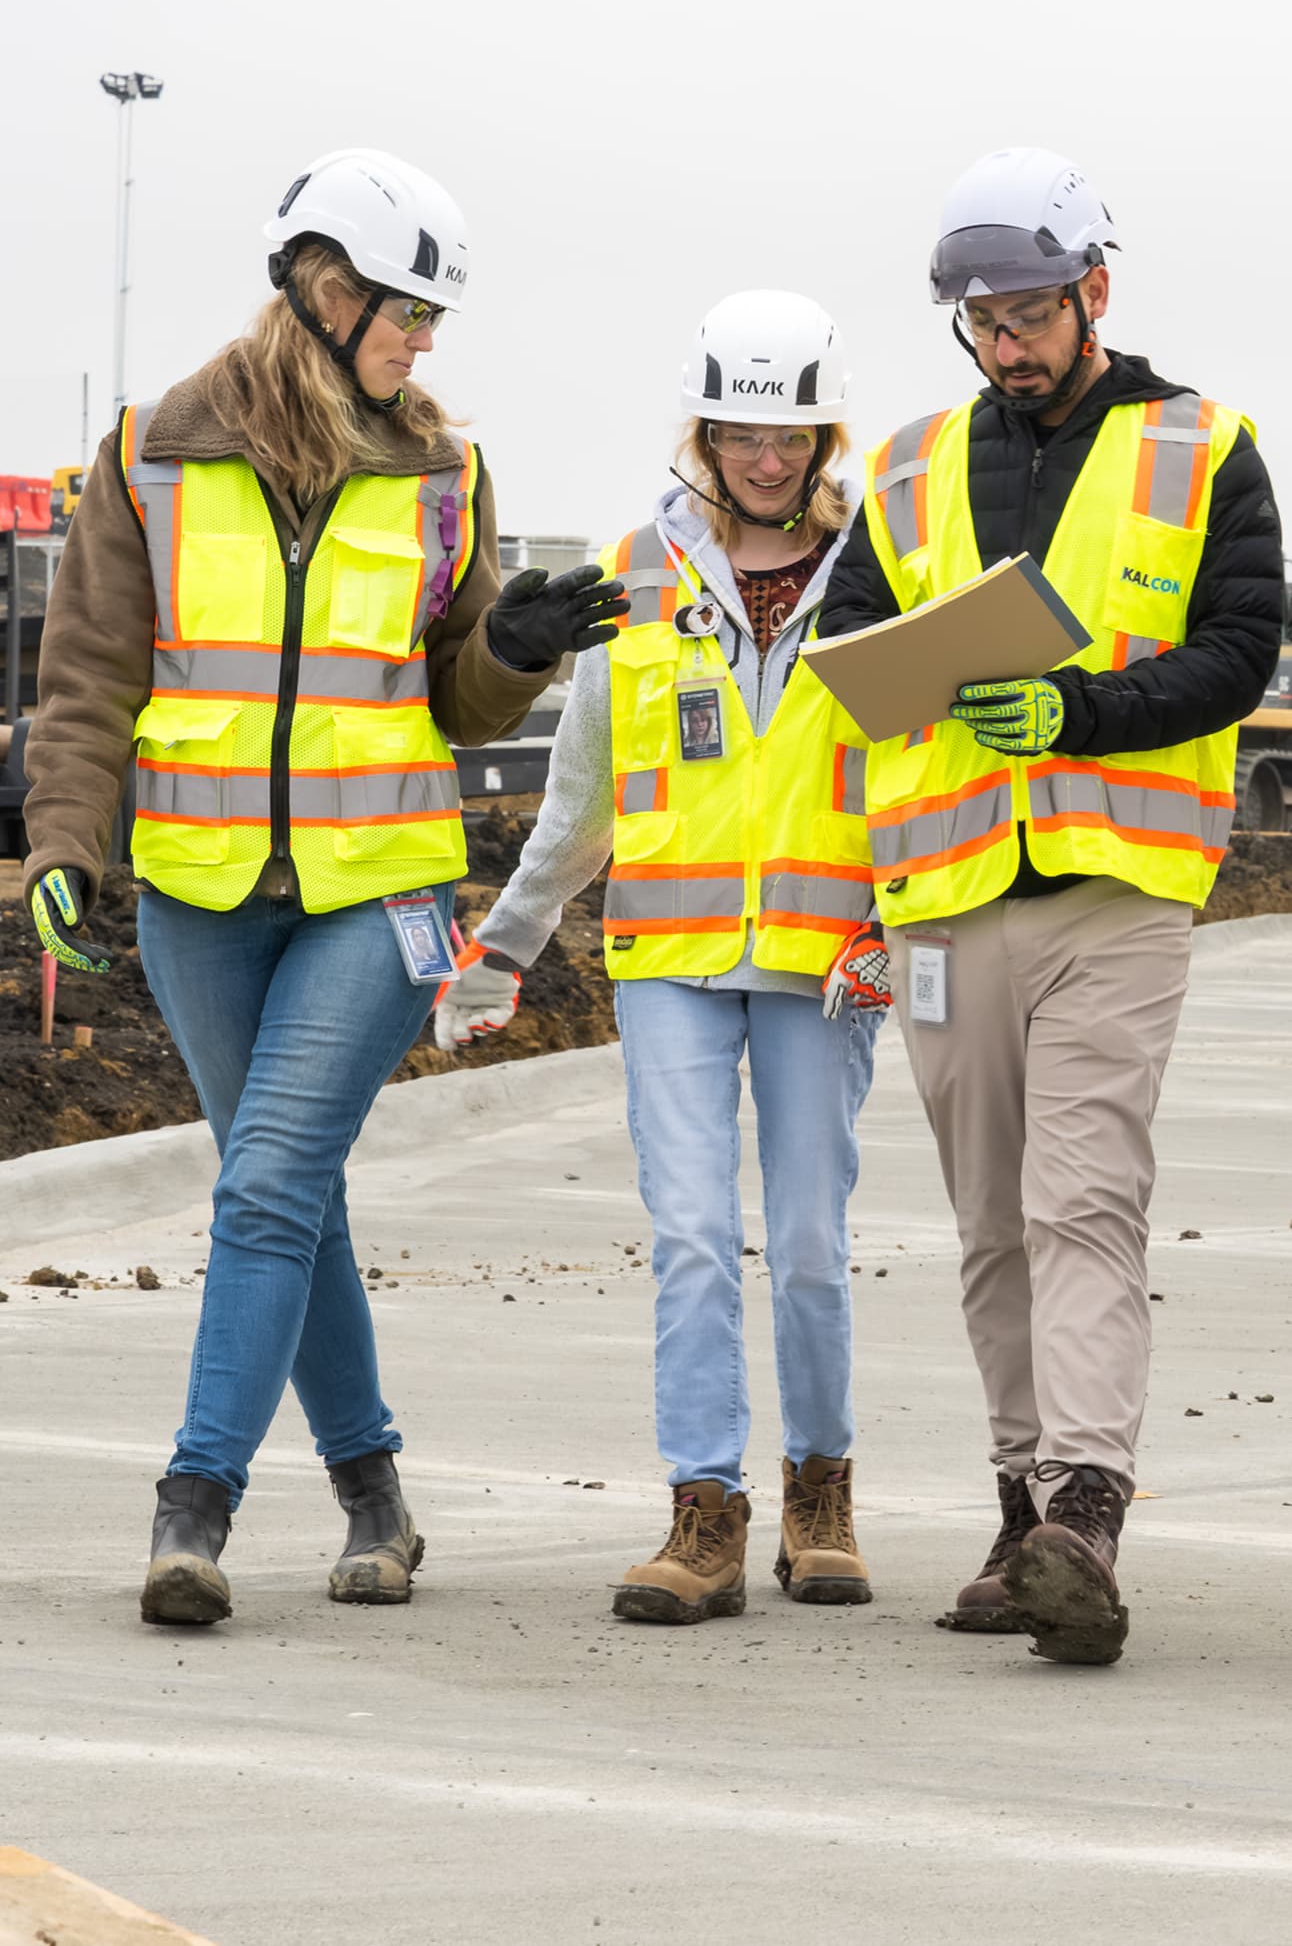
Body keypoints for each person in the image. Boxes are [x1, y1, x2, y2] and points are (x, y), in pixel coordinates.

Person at [23, 146, 627, 1627]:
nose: (426, 343)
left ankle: (194, 1507)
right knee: (285, 1196)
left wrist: (522, 645)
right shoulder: (150, 453)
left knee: (271, 1180)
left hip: (384, 888)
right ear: (327, 286)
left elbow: (463, 704)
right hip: (200, 886)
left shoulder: (446, 474)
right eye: (409, 311)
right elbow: (92, 674)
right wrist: (63, 845)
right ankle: (375, 1499)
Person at [819, 146, 1284, 1666]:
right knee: (987, 1229)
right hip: (948, 901)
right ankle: (1023, 1516)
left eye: (1025, 315)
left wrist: (1083, 709)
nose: (1003, 347)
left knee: (1081, 1197)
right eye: (981, 324)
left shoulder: (1206, 446)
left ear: (1094, 291)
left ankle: (1088, 1505)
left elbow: (1241, 650)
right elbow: (851, 652)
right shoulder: (901, 469)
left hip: (1118, 888)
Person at [436, 291, 891, 1624]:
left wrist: (897, 926)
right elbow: (581, 801)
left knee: (806, 1241)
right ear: (706, 426)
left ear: (823, 438)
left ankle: (822, 1494)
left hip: (822, 966)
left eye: (792, 431)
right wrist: (504, 945)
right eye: (744, 428)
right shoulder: (636, 576)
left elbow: (920, 779)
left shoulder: (878, 574)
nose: (767, 456)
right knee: (694, 1235)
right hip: (672, 961)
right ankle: (705, 1514)